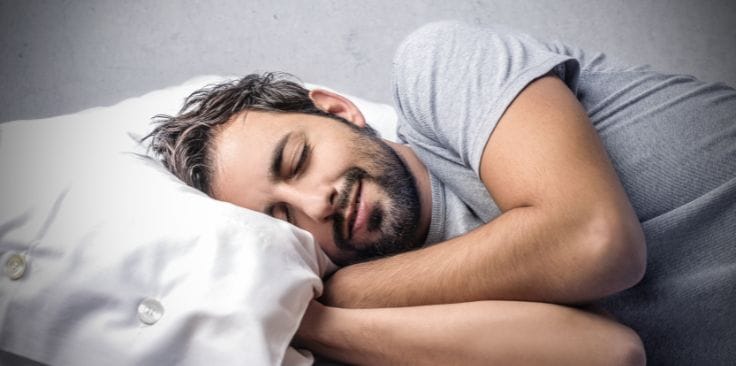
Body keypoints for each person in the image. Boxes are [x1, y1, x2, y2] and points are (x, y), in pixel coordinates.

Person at [146, 21, 735, 365]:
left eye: (298, 161)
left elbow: (595, 241)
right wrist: (312, 324)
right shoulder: (395, 327)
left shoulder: (439, 69)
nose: (313, 203)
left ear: (337, 110)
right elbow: (609, 356)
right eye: (282, 218)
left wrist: (344, 293)